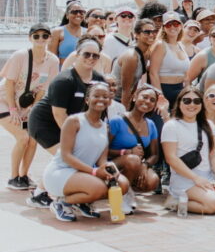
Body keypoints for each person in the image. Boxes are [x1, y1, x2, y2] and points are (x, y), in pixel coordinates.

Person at [26, 38, 107, 208]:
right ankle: (39, 194)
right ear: (77, 55)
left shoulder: (99, 80)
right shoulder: (64, 80)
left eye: (95, 55)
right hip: (45, 123)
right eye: (87, 54)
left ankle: (75, 195)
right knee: (67, 157)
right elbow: (58, 114)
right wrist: (76, 139)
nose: (91, 58)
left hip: (71, 125)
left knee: (76, 157)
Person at [44, 83, 130, 222]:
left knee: (122, 184)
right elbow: (66, 156)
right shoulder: (74, 121)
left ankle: (81, 202)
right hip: (61, 171)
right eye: (96, 96)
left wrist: (110, 168)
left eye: (105, 97)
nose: (101, 99)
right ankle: (62, 203)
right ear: (87, 99)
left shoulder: (104, 126)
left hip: (84, 173)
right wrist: (95, 172)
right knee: (99, 188)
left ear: (109, 101)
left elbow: (101, 159)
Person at [161, 87, 215, 215]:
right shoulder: (171, 126)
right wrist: (196, 178)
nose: (192, 104)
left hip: (208, 176)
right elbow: (171, 158)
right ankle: (175, 201)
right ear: (179, 103)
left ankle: (204, 195)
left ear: (201, 104)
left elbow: (214, 152)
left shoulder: (208, 124)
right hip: (184, 177)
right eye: (187, 101)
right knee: (214, 204)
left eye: (197, 101)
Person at [1, 23, 58, 190]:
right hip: (4, 100)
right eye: (36, 36)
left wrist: (34, 109)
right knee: (22, 137)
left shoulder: (52, 61)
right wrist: (12, 109)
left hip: (26, 104)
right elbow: (10, 83)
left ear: (49, 38)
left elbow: (44, 89)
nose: (41, 39)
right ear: (30, 38)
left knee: (33, 139)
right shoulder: (20, 56)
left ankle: (24, 175)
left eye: (45, 36)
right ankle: (13, 177)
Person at [106, 84, 162, 195]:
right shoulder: (117, 121)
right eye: (144, 97)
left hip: (136, 164)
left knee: (152, 181)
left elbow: (154, 155)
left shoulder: (151, 125)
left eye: (152, 100)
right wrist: (126, 152)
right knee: (133, 159)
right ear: (135, 97)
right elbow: (102, 150)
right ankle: (123, 196)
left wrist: (145, 166)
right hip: (112, 164)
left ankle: (129, 190)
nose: (147, 101)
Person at [148, 12, 190, 105]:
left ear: (180, 26)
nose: (172, 27)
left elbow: (186, 75)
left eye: (175, 24)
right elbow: (153, 73)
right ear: (163, 27)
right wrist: (159, 96)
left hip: (180, 90)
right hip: (164, 90)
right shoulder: (160, 45)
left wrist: (188, 92)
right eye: (168, 24)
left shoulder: (181, 45)